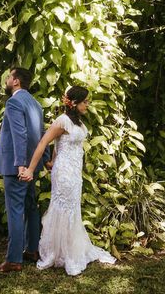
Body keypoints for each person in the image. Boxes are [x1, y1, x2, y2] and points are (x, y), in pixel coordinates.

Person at [21, 86, 117, 276]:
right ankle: (58, 253)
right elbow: (43, 143)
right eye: (85, 102)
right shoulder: (62, 121)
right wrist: (32, 168)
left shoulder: (78, 122)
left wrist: (52, 160)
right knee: (63, 208)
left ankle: (68, 250)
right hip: (64, 173)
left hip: (74, 173)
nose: (88, 105)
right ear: (74, 103)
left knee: (72, 208)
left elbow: (61, 145)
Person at [0, 67, 50, 273]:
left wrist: (21, 165)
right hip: (31, 165)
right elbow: (42, 135)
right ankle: (32, 250)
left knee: (15, 210)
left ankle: (14, 260)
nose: (6, 80)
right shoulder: (35, 104)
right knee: (30, 205)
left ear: (16, 81)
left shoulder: (14, 102)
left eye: (9, 77)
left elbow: (19, 134)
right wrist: (45, 159)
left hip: (17, 166)